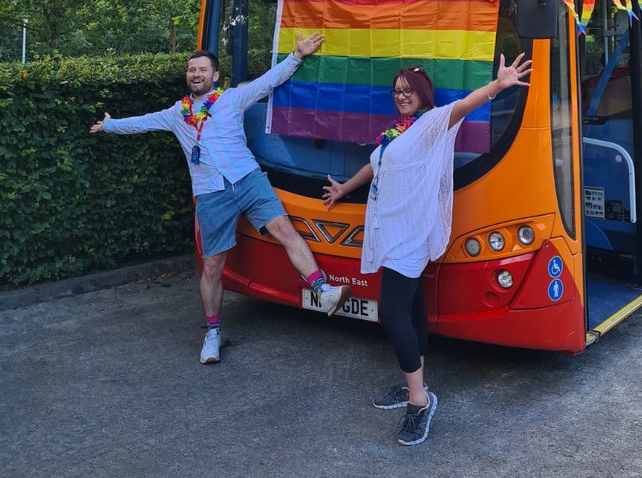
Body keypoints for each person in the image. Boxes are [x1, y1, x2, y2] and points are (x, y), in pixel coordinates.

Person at [90, 33, 349, 364]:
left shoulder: (232, 99)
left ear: (215, 76)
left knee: (284, 229)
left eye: (202, 70)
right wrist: (111, 126)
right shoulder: (176, 114)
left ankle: (322, 292)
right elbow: (143, 123)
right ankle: (212, 334)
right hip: (211, 193)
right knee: (213, 265)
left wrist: (297, 55)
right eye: (191, 70)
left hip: (248, 179)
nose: (195, 74)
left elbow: (269, 82)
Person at [322, 53, 531, 445]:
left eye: (408, 91)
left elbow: (465, 106)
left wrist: (498, 86)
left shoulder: (432, 123)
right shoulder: (398, 131)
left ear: (422, 94)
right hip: (392, 229)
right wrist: (346, 188)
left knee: (391, 311)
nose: (401, 96)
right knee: (413, 304)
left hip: (412, 232)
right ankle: (414, 378)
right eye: (397, 91)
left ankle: (419, 399)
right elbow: (378, 164)